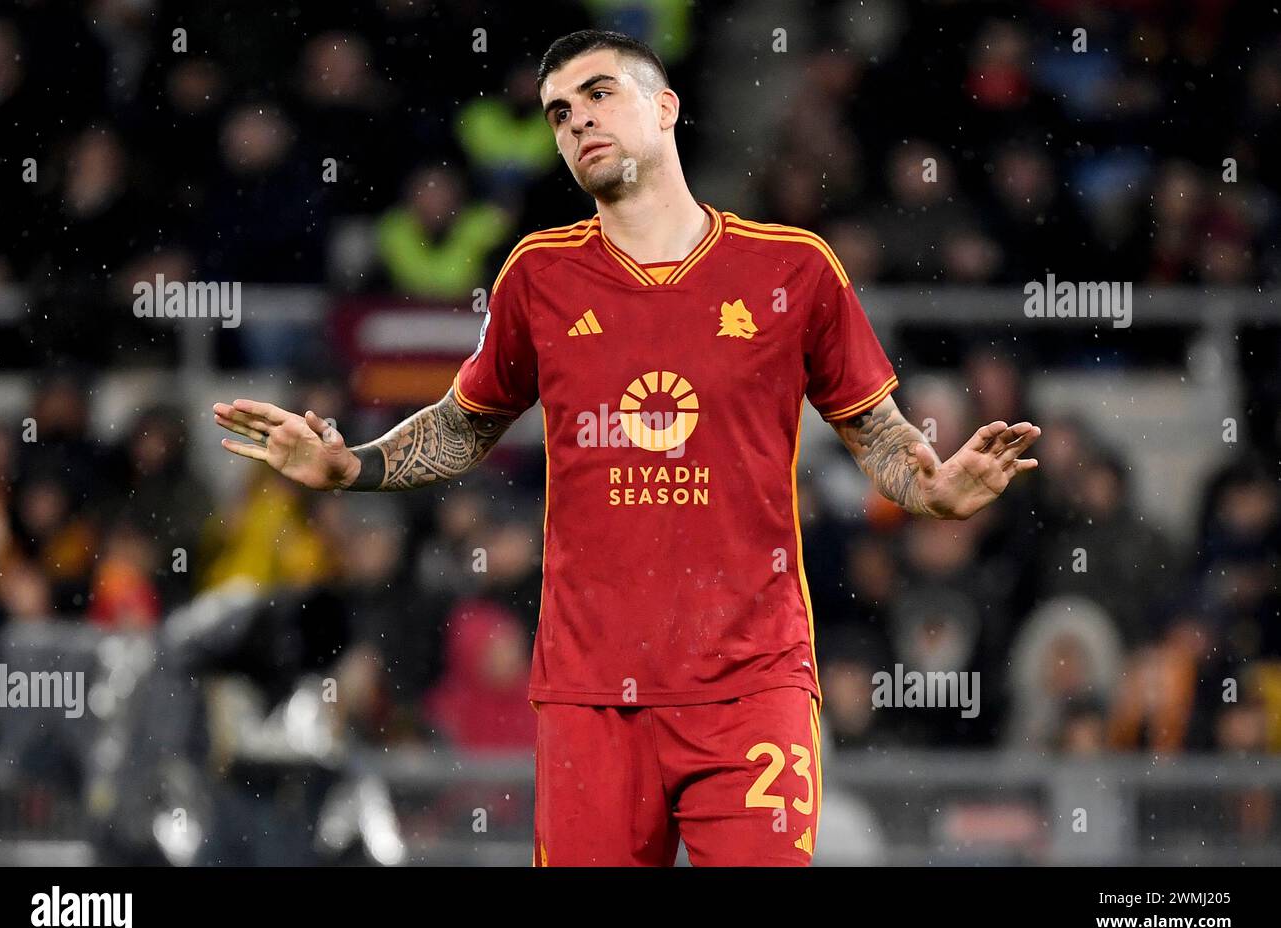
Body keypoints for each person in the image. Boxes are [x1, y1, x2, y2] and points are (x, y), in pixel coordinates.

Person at [212, 30, 1040, 866]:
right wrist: (353, 464)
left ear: (667, 106)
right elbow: (466, 423)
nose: (577, 123)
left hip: (750, 685)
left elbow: (876, 432)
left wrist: (934, 489)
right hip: (590, 695)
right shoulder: (538, 277)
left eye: (599, 94)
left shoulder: (794, 269)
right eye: (559, 113)